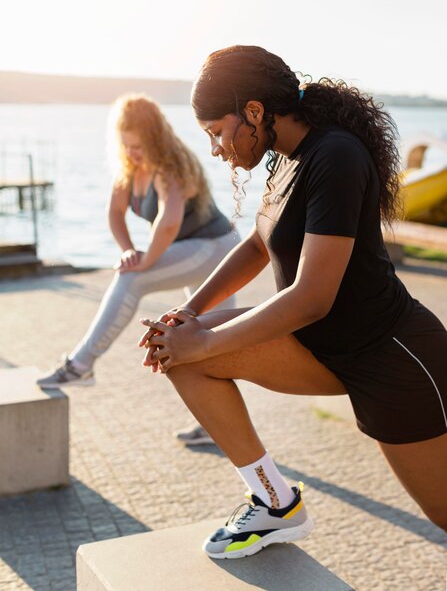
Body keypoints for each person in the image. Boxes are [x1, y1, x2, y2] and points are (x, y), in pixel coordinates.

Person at [138, 45, 447, 559]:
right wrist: (190, 315)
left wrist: (207, 338)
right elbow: (260, 242)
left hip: (394, 359)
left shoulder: (337, 156)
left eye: (217, 131)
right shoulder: (284, 155)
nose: (216, 148)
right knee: (178, 354)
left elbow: (310, 299)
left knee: (443, 513)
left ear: (254, 112)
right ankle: (275, 501)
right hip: (320, 350)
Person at [38, 94, 240, 444]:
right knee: (204, 343)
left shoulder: (172, 165)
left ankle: (80, 366)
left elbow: (168, 222)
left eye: (139, 145)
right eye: (126, 145)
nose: (132, 152)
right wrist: (129, 249)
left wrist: (144, 261)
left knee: (135, 280)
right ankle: (214, 426)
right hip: (193, 250)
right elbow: (114, 213)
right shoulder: (128, 170)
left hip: (217, 250)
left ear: (155, 137)